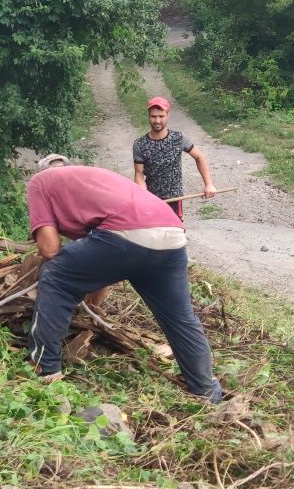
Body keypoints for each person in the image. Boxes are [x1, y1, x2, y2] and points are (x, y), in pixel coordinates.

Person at [26, 156, 223, 401]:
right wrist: (91, 308)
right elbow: (103, 266)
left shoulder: (39, 182)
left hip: (126, 233)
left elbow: (49, 249)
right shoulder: (93, 178)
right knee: (180, 318)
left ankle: (46, 370)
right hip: (171, 232)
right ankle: (206, 390)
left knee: (54, 275)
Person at [133, 96, 216, 217]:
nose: (157, 121)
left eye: (161, 116)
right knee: (153, 234)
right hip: (152, 200)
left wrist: (209, 184)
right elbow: (139, 174)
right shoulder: (139, 144)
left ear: (167, 115)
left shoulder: (178, 138)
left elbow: (199, 157)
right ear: (148, 116)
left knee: (175, 233)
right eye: (153, 116)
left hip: (174, 199)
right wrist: (143, 196)